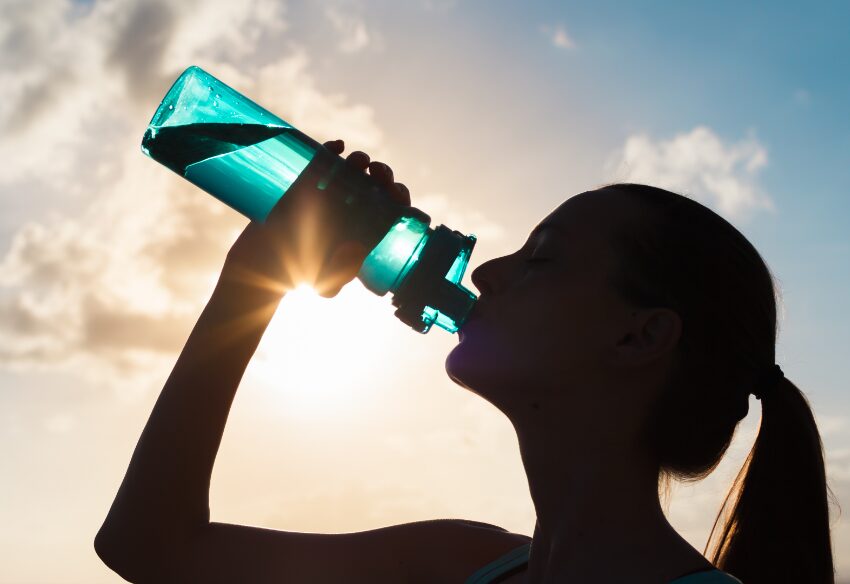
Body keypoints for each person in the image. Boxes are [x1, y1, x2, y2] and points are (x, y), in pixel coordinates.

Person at [95, 139, 835, 584]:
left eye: (541, 260)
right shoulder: (456, 564)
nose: (485, 275)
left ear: (639, 338)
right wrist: (251, 284)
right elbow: (148, 546)